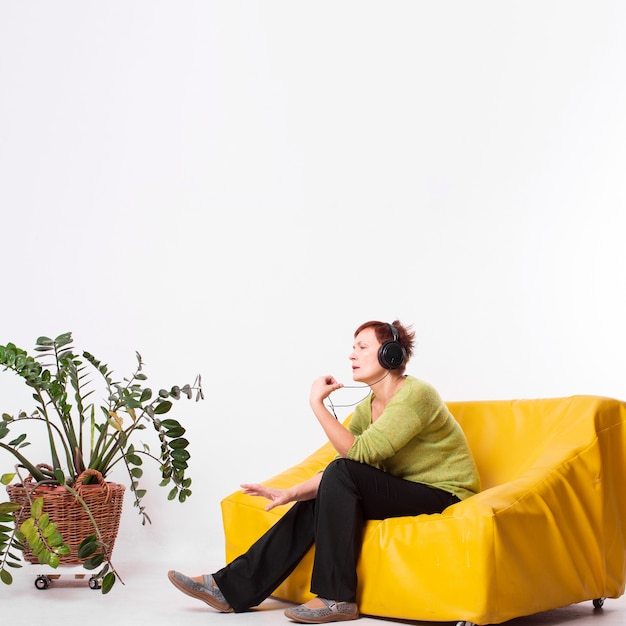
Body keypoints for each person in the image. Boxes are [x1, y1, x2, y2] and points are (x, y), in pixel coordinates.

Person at [168, 320, 481, 623]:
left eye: (362, 346)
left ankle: (336, 597)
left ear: (390, 354)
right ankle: (229, 589)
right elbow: (340, 473)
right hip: (403, 491)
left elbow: (358, 456)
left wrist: (316, 404)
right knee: (332, 483)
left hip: (444, 494)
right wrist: (290, 493)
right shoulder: (367, 407)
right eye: (352, 347)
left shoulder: (416, 394)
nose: (352, 354)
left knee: (343, 471)